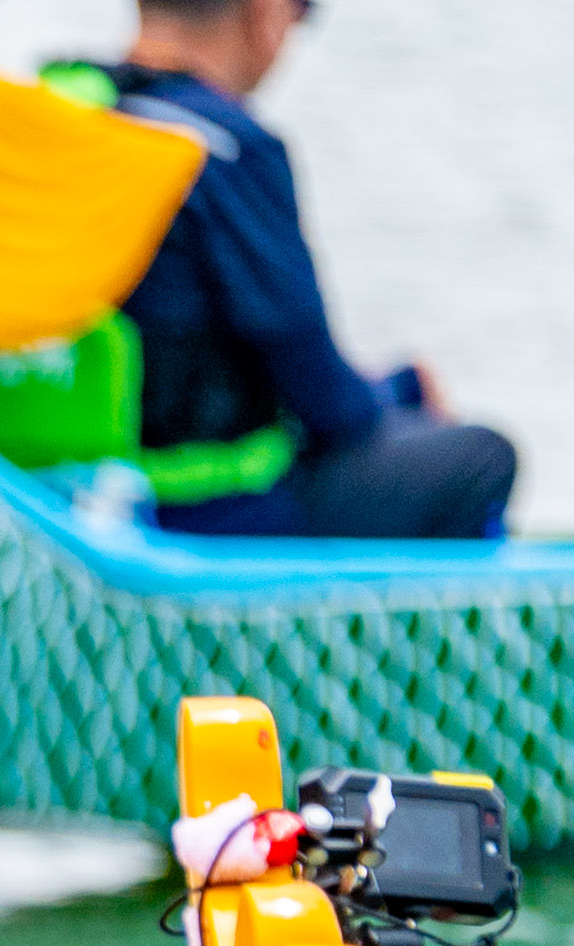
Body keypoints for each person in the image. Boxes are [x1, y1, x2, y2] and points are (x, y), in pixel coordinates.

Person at [108, 0, 516, 542]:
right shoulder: (226, 148)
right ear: (265, 12)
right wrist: (404, 387)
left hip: (51, 498)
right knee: (481, 458)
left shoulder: (59, 112)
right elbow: (330, 406)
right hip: (195, 514)